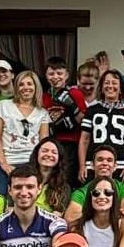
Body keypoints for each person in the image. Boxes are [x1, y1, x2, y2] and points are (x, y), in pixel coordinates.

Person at [0, 71, 52, 194]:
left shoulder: (42, 113)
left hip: (31, 163)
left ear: (36, 87)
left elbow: (44, 141)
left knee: (27, 197)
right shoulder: (3, 106)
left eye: (29, 84)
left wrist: (40, 167)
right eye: (21, 84)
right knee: (0, 197)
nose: (25, 87)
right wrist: (3, 163)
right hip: (7, 161)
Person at [78, 69, 124, 183]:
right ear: (101, 87)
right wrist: (82, 165)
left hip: (120, 165)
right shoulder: (92, 110)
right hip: (93, 164)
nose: (110, 86)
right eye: (106, 83)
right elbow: (84, 139)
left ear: (121, 89)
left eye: (114, 83)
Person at [42, 56, 88, 185]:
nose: (55, 77)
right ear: (46, 76)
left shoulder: (75, 93)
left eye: (59, 73)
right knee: (52, 179)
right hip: (52, 143)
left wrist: (72, 106)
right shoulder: (44, 97)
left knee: (68, 179)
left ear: (66, 75)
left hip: (72, 143)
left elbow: (84, 120)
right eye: (51, 74)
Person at [66, 145, 124, 221]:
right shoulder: (81, 192)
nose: (104, 163)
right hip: (89, 228)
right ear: (92, 165)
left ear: (115, 166)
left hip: (117, 227)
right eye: (100, 159)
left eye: (109, 160)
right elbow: (70, 218)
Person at [30, 139, 71, 215]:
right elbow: (11, 209)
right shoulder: (22, 179)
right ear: (36, 154)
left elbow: (56, 216)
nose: (49, 155)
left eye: (54, 152)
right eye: (44, 151)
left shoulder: (63, 187)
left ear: (59, 158)